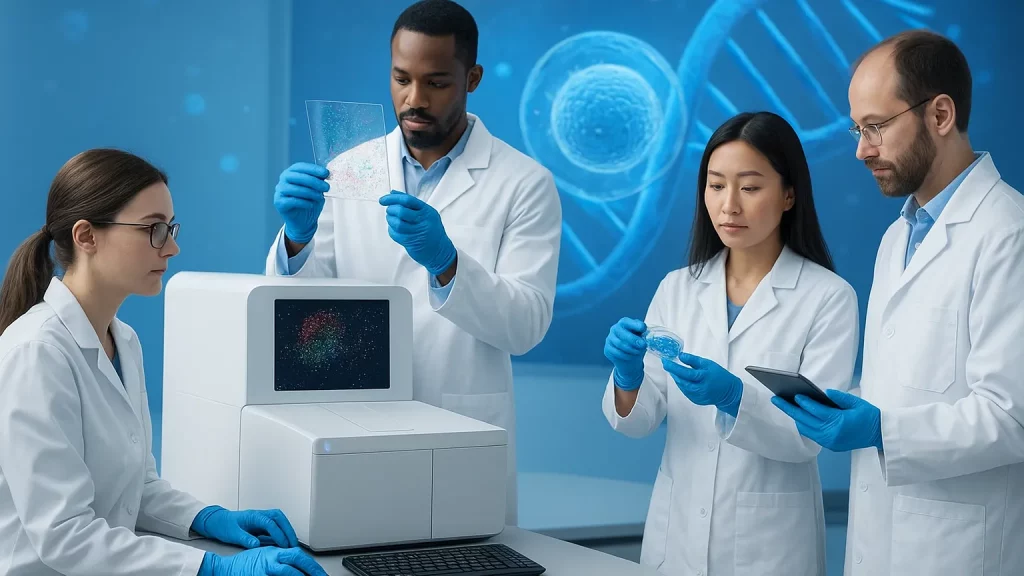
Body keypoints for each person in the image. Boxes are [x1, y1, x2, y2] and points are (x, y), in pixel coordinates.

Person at [266, 0, 561, 525]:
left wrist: (448, 264)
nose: (414, 99)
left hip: (462, 427)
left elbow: (527, 326)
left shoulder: (524, 183)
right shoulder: (349, 170)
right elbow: (301, 316)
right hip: (355, 427)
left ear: (472, 78)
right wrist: (296, 238)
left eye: (436, 82)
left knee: (460, 554)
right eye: (401, 79)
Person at [0, 149, 328, 576]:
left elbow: (136, 488)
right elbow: (65, 535)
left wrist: (207, 518)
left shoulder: (124, 340)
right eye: (153, 229)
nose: (172, 247)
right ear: (87, 237)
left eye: (170, 228)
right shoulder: (36, 352)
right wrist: (211, 567)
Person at [772, 30, 1024, 575]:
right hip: (880, 539)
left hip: (959, 550)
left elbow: (1012, 417)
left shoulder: (1009, 233)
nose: (862, 149)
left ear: (939, 115)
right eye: (857, 129)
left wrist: (880, 430)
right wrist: (846, 405)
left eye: (876, 127)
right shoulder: (899, 237)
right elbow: (907, 384)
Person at [602, 111, 860, 576]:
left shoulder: (829, 299)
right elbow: (639, 422)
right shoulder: (677, 288)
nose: (729, 206)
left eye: (750, 186)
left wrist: (735, 397)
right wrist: (628, 376)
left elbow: (812, 436)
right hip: (675, 540)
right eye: (716, 185)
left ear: (788, 194)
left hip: (770, 550)